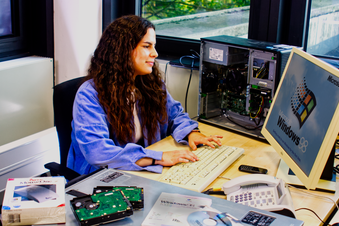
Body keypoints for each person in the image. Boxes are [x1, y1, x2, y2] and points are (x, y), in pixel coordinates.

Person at [67, 15, 223, 175]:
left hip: (142, 167)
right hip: (102, 176)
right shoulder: (89, 94)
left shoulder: (150, 84)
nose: (155, 53)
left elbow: (174, 115)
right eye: (147, 46)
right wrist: (159, 158)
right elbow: (98, 152)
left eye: (154, 46)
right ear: (123, 50)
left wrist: (191, 133)